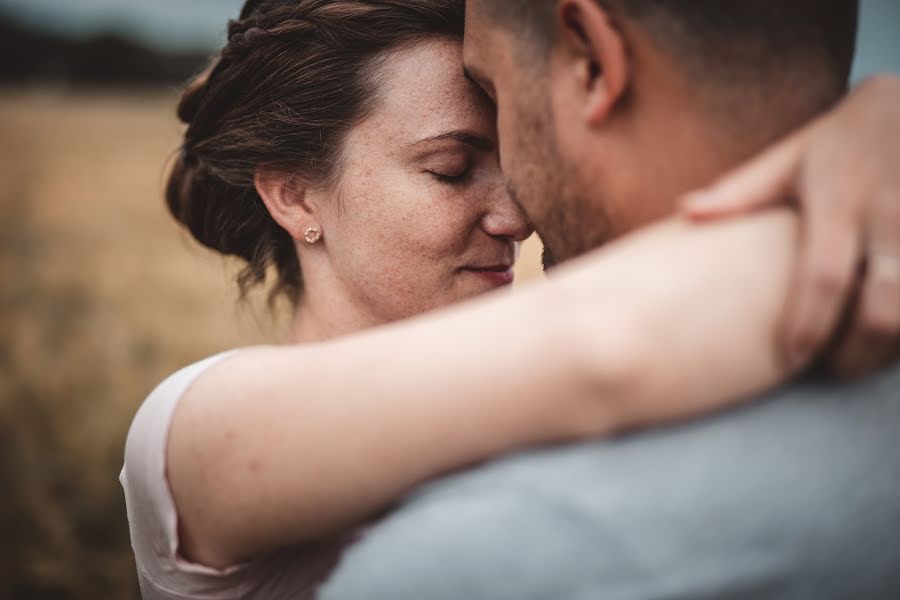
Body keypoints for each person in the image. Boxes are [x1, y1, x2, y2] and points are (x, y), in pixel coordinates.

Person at [119, 1, 900, 599]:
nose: (516, 216)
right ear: (294, 195)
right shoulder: (191, 427)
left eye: (508, 155)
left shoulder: (539, 418)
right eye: (453, 169)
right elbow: (606, 344)